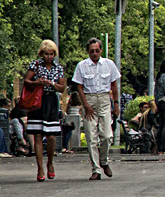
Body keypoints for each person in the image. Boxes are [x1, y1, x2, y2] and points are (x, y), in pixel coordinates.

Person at [72, 38, 120, 180]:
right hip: (89, 99)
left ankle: (104, 161)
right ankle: (96, 169)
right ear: (88, 51)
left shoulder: (109, 64)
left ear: (101, 51)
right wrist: (85, 105)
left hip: (105, 99)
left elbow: (114, 85)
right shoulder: (82, 65)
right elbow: (79, 87)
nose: (94, 53)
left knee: (106, 136)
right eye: (92, 51)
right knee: (91, 137)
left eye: (97, 51)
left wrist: (116, 104)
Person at [24, 39, 66, 181]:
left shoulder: (58, 68)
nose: (48, 56)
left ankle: (50, 162)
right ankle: (40, 167)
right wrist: (38, 82)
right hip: (38, 100)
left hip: (51, 101)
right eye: (46, 54)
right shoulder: (35, 65)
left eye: (51, 54)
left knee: (51, 135)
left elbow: (62, 87)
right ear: (42, 54)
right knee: (37, 135)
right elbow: (26, 81)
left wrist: (52, 84)